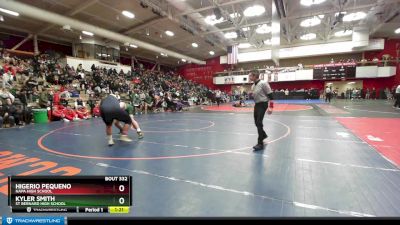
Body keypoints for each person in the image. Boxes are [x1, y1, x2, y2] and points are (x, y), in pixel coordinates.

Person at [249, 70, 274, 151]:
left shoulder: (263, 83)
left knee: (259, 122)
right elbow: (255, 96)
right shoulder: (253, 86)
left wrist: (271, 107)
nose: (249, 77)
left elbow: (271, 96)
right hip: (257, 105)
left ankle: (260, 143)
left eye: (250, 76)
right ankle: (263, 135)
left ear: (255, 76)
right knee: (256, 122)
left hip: (263, 104)